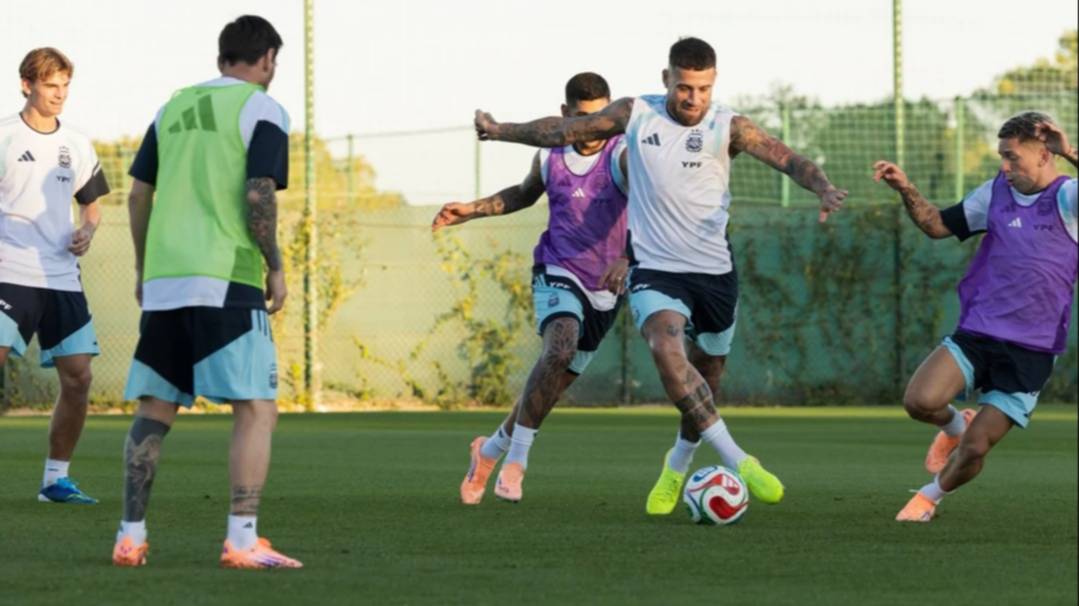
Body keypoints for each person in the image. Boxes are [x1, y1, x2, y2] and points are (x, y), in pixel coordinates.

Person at [473, 37, 847, 514]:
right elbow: (565, 130)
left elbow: (787, 158)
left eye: (704, 89)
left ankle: (677, 464)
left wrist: (823, 187)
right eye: (686, 87)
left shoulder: (728, 125)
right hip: (655, 271)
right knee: (666, 350)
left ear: (714, 85)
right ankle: (740, 460)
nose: (694, 98)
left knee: (707, 378)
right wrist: (500, 130)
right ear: (667, 78)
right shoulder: (635, 114)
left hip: (714, 272)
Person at [112, 15, 301, 568]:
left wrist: (146, 269)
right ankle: (242, 541)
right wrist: (275, 266)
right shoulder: (264, 107)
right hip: (226, 275)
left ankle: (130, 536)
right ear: (267, 59)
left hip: (168, 279)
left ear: (222, 58)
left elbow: (138, 195)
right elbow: (259, 191)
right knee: (256, 409)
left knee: (155, 407)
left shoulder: (169, 108)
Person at [434, 72, 630, 504]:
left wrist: (628, 255)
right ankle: (517, 462)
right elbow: (523, 194)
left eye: (601, 120)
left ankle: (486, 453)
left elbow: (652, 209)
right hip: (557, 268)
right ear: (565, 116)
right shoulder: (551, 155)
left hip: (607, 286)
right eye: (582, 120)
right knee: (559, 348)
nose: (592, 130)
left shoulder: (624, 154)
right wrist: (474, 209)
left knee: (549, 388)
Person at [875, 111, 1077, 522]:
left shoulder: (1067, 197)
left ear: (1044, 155)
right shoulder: (994, 193)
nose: (1004, 166)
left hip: (1031, 350)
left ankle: (928, 498)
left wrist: (1071, 152)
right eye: (1001, 156)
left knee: (977, 450)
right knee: (919, 401)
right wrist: (905, 187)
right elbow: (935, 225)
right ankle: (954, 425)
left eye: (1012, 157)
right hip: (979, 332)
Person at [0, 47, 110, 504]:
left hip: (62, 277)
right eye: (50, 86)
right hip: (9, 271)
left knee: (79, 377)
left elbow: (92, 203)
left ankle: (54, 480)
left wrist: (86, 230)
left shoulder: (78, 144)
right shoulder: (4, 136)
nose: (59, 95)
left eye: (65, 86)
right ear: (27, 85)